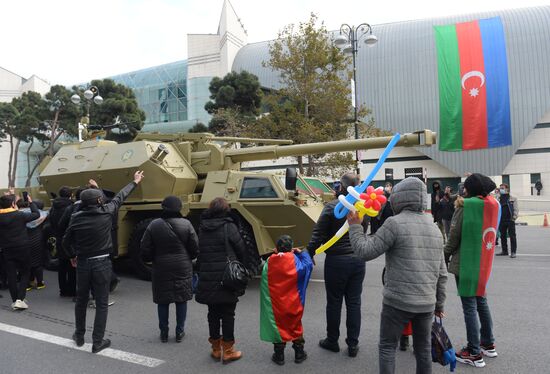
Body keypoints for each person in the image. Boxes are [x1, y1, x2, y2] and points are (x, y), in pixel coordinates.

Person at [347, 177, 447, 374]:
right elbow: (442, 273)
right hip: (426, 303)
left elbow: (365, 251)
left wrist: (355, 226)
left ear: (398, 199)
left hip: (397, 302)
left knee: (387, 347)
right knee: (424, 351)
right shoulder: (434, 229)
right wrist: (439, 305)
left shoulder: (394, 224)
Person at [63, 170, 144, 353]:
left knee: (81, 301)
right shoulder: (107, 212)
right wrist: (135, 181)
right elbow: (120, 196)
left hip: (82, 264)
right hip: (102, 263)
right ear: (99, 201)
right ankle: (97, 341)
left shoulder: (76, 218)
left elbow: (65, 242)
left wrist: (72, 256)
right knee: (101, 302)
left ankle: (79, 335)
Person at [306, 172, 366, 357]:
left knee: (334, 302)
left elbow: (317, 233)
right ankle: (353, 344)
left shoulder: (332, 207)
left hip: (337, 260)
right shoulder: (362, 207)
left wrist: (308, 254)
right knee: (354, 303)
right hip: (357, 259)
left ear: (341, 186)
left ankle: (332, 340)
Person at [444, 173, 499, 368]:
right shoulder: (493, 204)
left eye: (465, 187)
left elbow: (453, 236)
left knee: (469, 306)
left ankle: (474, 352)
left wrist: (444, 255)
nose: (463, 190)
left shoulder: (465, 206)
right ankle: (488, 343)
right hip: (483, 261)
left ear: (470, 189)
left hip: (466, 261)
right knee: (481, 300)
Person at [195, 197, 247, 364]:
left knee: (213, 314)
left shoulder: (203, 228)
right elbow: (241, 249)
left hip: (208, 276)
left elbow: (199, 252)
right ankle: (229, 351)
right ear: (226, 210)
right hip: (227, 278)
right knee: (228, 314)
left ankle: (216, 349)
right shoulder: (229, 226)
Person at [140, 196, 199, 343]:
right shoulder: (186, 224)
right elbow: (195, 247)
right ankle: (179, 332)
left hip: (161, 266)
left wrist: (151, 258)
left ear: (163, 207)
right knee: (181, 300)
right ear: (179, 208)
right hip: (182, 266)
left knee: (163, 301)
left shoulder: (154, 225)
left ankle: (164, 333)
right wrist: (188, 257)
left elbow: (145, 247)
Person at [260, 235, 313, 365]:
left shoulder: (269, 263)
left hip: (276, 305)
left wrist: (275, 254)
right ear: (291, 248)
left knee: (278, 327)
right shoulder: (296, 262)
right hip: (294, 303)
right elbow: (308, 265)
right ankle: (299, 353)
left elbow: (265, 278)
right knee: (296, 326)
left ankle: (279, 356)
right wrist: (303, 253)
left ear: (277, 249)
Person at [0, 193, 40, 310]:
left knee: (11, 274)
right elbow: (36, 214)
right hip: (22, 247)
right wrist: (31, 202)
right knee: (25, 272)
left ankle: (15, 300)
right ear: (13, 204)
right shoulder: (19, 215)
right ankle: (20, 299)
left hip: (7, 248)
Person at [49, 186, 76, 298]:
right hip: (70, 240)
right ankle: (72, 290)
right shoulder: (71, 207)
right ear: (70, 195)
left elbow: (50, 222)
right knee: (72, 266)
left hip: (59, 239)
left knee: (62, 266)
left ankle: (63, 290)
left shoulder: (53, 207)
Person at [18, 200, 49, 290]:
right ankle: (40, 283)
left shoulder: (21, 215)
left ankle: (27, 284)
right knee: (37, 262)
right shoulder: (43, 215)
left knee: (26, 263)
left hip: (24, 240)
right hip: (37, 240)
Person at [497, 183, 519, 258]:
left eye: (502, 188)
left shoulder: (513, 198)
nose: (501, 190)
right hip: (501, 220)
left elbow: (516, 209)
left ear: (507, 189)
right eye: (500, 188)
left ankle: (513, 252)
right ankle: (504, 251)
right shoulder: (498, 198)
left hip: (510, 220)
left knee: (512, 236)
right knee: (502, 236)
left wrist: (514, 217)